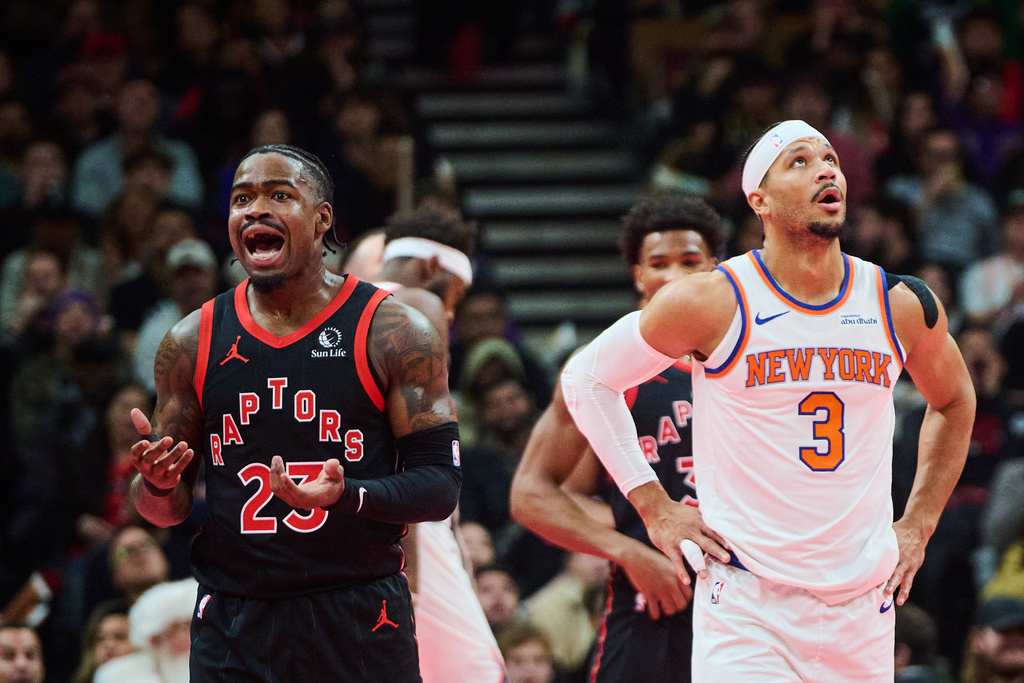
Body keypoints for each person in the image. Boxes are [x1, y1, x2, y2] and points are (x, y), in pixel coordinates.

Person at [560, 120, 976, 681]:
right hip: (748, 603)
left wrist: (920, 522)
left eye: (830, 158)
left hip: (862, 604)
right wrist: (655, 509)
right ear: (759, 199)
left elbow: (953, 400)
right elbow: (587, 380)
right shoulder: (713, 301)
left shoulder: (898, 302)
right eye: (799, 161)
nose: (827, 169)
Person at [127, 144, 461, 681]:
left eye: (279, 195)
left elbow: (440, 488)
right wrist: (160, 486)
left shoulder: (392, 332)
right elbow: (160, 510)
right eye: (242, 199)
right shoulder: (190, 341)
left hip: (357, 608)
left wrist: (348, 495)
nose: (255, 210)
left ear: (322, 218)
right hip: (236, 617)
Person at [510, 190, 723, 683]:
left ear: (715, 268)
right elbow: (531, 495)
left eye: (690, 261)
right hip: (654, 596)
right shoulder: (604, 371)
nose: (673, 275)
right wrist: (626, 549)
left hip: (751, 594)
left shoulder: (753, 359)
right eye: (659, 262)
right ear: (638, 276)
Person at [369, 207, 504, 683]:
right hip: (403, 521)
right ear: (431, 269)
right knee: (477, 670)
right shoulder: (416, 304)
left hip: (341, 512)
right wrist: (414, 580)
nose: (450, 314)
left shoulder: (332, 308)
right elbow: (409, 454)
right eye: (457, 297)